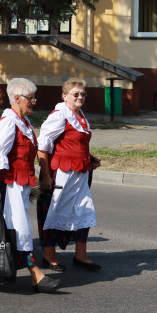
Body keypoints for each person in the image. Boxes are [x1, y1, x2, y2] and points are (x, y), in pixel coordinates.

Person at [0, 78, 57, 293]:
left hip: (18, 184)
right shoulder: (9, 122)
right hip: (6, 185)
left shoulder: (25, 123)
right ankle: (35, 274)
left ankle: (1, 271)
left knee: (11, 230)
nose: (34, 102)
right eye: (31, 98)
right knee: (17, 229)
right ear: (18, 98)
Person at [38, 78, 101, 274]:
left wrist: (89, 157)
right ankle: (49, 257)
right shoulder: (60, 115)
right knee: (53, 212)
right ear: (64, 96)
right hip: (61, 173)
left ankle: (80, 256)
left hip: (80, 173)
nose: (80, 97)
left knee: (83, 211)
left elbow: (75, 143)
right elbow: (43, 145)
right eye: (76, 94)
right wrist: (46, 176)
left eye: (83, 94)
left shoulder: (79, 115)